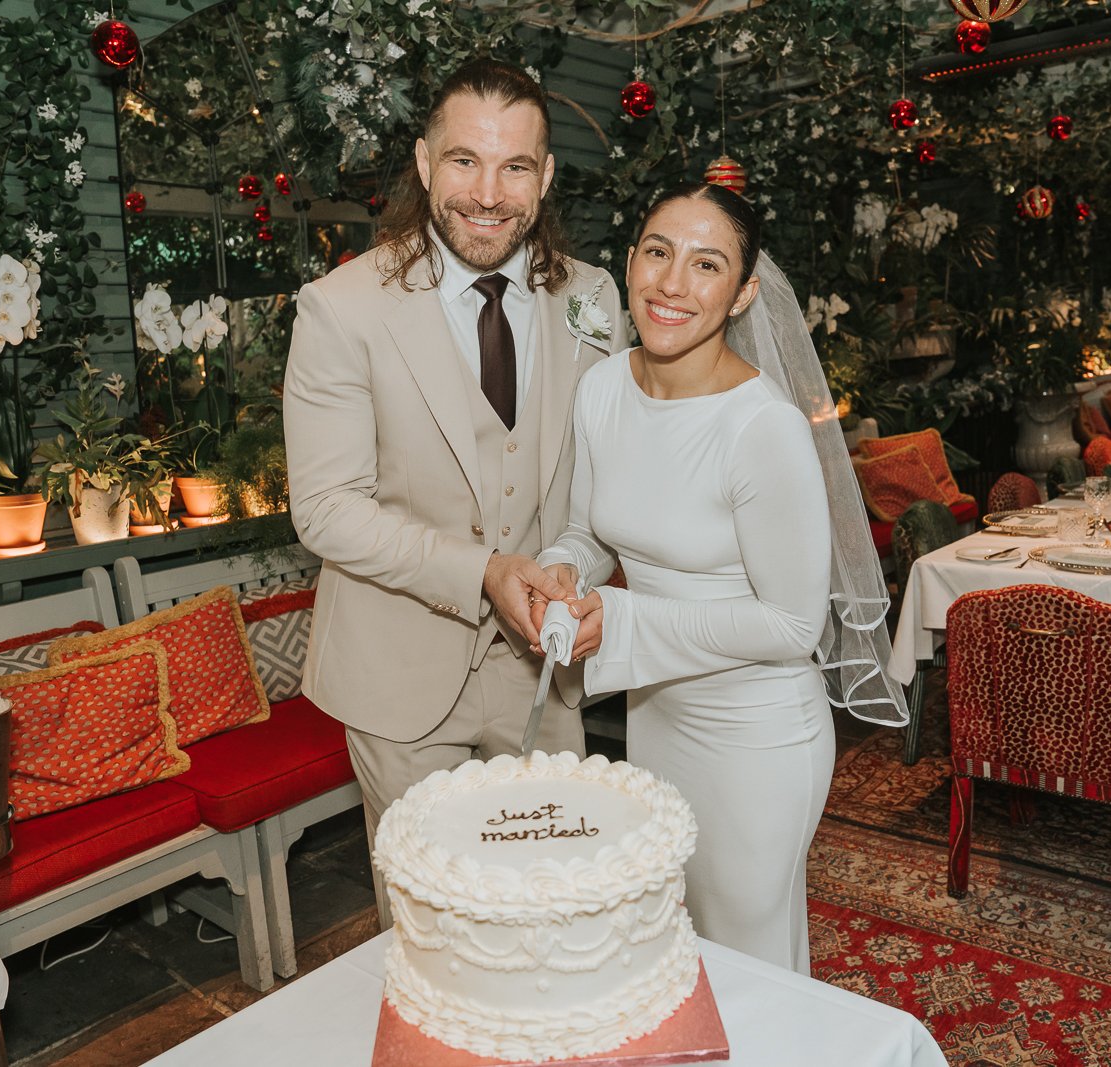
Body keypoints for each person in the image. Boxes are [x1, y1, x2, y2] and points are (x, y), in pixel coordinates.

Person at [282, 59, 623, 921]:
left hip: (538, 667)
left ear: (545, 178)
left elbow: (599, 485)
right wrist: (480, 570)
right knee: (435, 923)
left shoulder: (592, 298)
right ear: (426, 164)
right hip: (399, 676)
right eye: (465, 161)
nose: (488, 192)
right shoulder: (342, 307)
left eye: (515, 166)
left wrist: (560, 568)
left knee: (558, 899)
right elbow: (325, 507)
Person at [536, 183, 907, 973]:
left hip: (758, 737)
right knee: (674, 949)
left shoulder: (760, 426)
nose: (672, 284)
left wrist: (625, 621)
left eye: (706, 264)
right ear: (630, 261)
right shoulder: (603, 388)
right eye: (658, 252)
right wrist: (559, 571)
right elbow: (588, 531)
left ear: (741, 294)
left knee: (752, 965)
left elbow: (792, 624)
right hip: (657, 716)